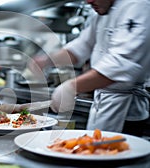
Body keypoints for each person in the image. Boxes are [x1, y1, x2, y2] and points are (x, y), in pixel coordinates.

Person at [29, 0, 150, 136]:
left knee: (114, 154)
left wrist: (71, 87)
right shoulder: (100, 11)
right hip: (101, 103)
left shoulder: (138, 6)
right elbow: (82, 46)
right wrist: (46, 60)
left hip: (126, 112)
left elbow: (122, 64)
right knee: (93, 151)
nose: (88, 1)